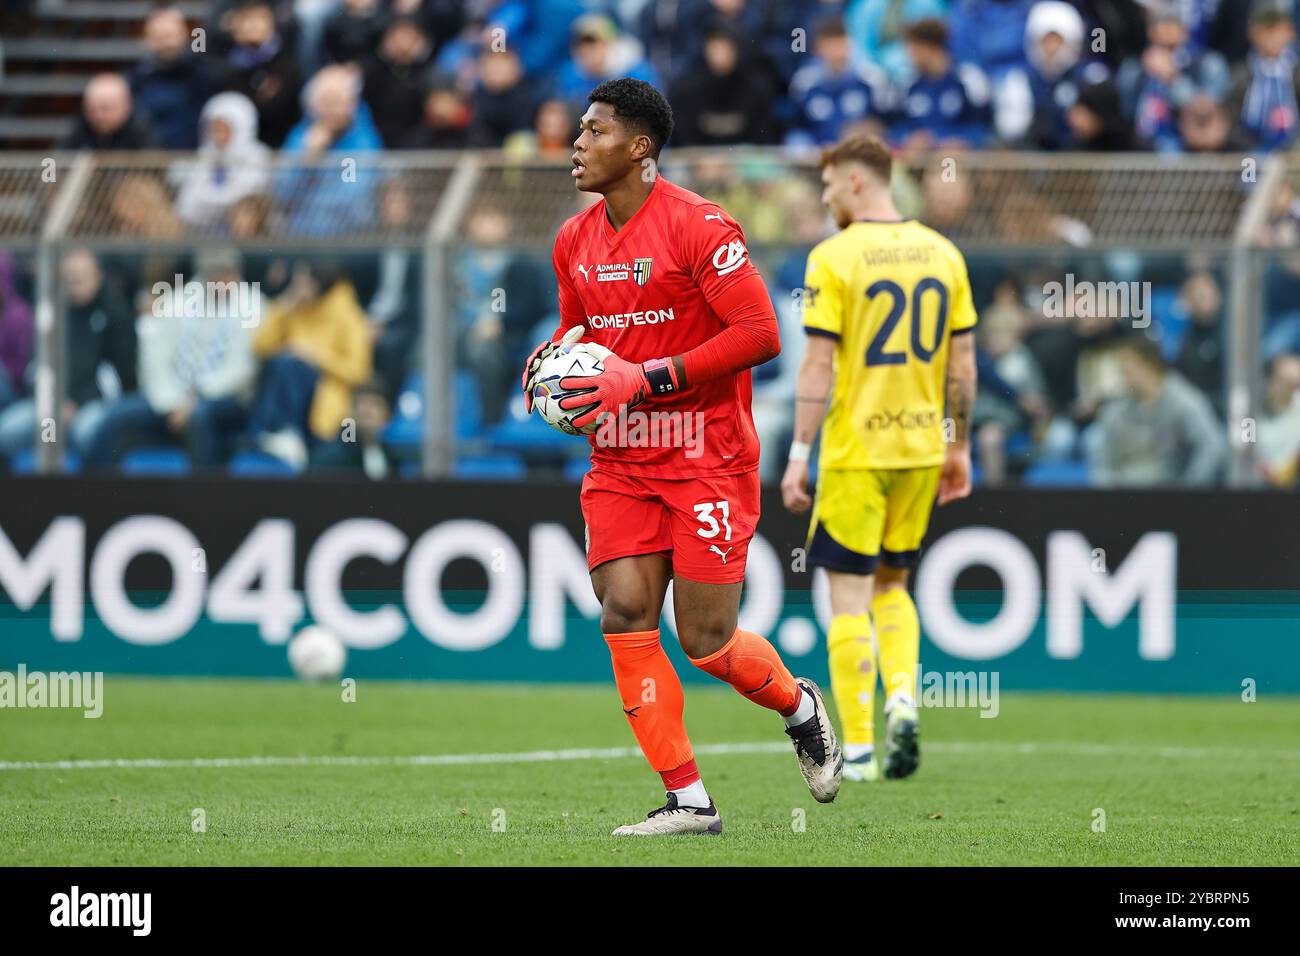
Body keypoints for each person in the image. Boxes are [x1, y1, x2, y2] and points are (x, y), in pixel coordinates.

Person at [520, 78, 842, 837]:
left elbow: (760, 333)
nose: (576, 144)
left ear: (640, 148)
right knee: (625, 612)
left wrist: (646, 377)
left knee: (706, 640)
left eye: (595, 132)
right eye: (578, 130)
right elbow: (580, 342)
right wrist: (547, 373)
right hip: (621, 459)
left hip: (707, 457)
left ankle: (799, 707)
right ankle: (689, 800)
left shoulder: (701, 226)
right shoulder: (573, 240)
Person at [780, 135, 979, 784]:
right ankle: (903, 698)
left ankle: (859, 748)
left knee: (846, 600)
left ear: (859, 182)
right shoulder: (944, 254)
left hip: (857, 448)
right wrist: (960, 444)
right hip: (922, 447)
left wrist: (799, 451)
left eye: (831, 183)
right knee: (893, 587)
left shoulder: (833, 257)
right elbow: (964, 364)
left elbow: (817, 363)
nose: (826, 194)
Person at [249, 260, 373, 470]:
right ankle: (281, 432)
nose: (297, 287)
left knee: (289, 363)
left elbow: (359, 371)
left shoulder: (348, 314)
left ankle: (285, 430)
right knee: (283, 362)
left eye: (303, 282)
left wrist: (315, 357)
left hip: (328, 399)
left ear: (319, 283)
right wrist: (284, 307)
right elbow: (259, 346)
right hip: (290, 391)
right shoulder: (293, 308)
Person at [1090, 334, 1227, 486]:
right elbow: (1103, 460)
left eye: (1126, 369)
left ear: (1149, 366)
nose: (1122, 376)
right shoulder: (1117, 407)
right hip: (1125, 496)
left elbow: (1212, 445)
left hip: (1167, 495)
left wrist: (1189, 492)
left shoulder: (1183, 400)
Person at [175, 92, 272, 230]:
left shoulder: (258, 157)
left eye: (224, 129)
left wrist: (210, 202)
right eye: (214, 129)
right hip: (204, 232)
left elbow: (246, 199)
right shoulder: (205, 157)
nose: (218, 135)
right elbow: (186, 207)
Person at [129, 4, 216, 149]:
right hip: (150, 159)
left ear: (184, 36)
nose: (168, 43)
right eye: (160, 37)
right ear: (148, 40)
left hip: (193, 159)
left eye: (171, 35)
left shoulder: (202, 74)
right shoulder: (137, 78)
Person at [61, 73, 158, 150]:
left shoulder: (141, 131)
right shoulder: (80, 127)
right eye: (92, 109)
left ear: (126, 105)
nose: (99, 116)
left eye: (106, 108)